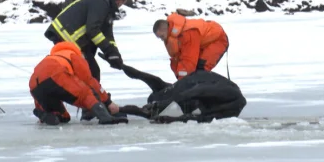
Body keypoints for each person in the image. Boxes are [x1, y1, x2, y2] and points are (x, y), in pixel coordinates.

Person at [96, 53, 246, 124]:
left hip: (222, 91)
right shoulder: (166, 102)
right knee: (202, 106)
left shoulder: (165, 92)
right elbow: (139, 107)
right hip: (222, 98)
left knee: (198, 99)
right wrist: (117, 109)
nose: (150, 106)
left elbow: (142, 76)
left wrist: (121, 66)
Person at [44, 0, 130, 80]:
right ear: (119, 2)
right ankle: (88, 94)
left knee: (88, 72)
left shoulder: (105, 4)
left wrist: (114, 53)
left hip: (71, 38)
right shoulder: (101, 2)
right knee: (91, 73)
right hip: (67, 37)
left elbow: (107, 34)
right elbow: (92, 29)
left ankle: (85, 93)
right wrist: (108, 50)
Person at [29, 41, 126, 126]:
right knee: (86, 93)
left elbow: (38, 86)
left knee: (63, 117)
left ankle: (48, 115)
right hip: (56, 76)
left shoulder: (51, 57)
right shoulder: (72, 54)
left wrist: (39, 108)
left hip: (34, 84)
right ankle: (105, 117)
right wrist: (107, 101)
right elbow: (89, 81)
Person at [152, 12, 229, 80]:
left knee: (201, 69)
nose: (162, 40)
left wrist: (182, 82)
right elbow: (177, 59)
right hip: (201, 41)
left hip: (218, 40)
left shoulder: (188, 34)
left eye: (162, 36)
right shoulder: (174, 36)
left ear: (167, 29)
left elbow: (189, 62)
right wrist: (179, 78)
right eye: (159, 38)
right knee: (191, 73)